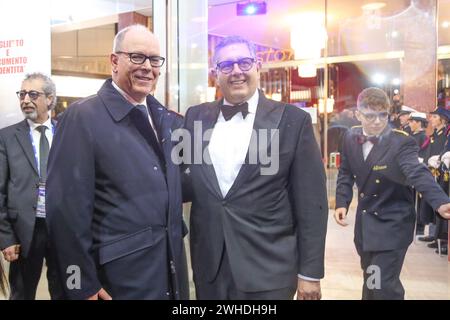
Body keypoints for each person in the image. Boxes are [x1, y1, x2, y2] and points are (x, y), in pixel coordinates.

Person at [46, 24, 188, 300]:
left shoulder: (165, 119)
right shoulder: (82, 117)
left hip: (166, 273)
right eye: (137, 57)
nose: (148, 67)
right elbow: (64, 211)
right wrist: (79, 283)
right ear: (114, 61)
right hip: (119, 280)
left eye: (154, 60)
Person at [181, 36, 328, 300]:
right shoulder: (195, 117)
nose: (236, 71)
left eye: (244, 62)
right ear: (215, 74)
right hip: (210, 266)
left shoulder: (293, 121)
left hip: (269, 268)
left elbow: (312, 202)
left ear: (258, 66)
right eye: (226, 65)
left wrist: (310, 272)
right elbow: (183, 179)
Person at [334, 87, 450, 300]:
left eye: (383, 115)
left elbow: (417, 171)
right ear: (359, 115)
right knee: (371, 281)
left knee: (384, 287)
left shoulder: (400, 141)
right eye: (370, 116)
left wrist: (440, 201)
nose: (378, 121)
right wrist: (342, 200)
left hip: (393, 223)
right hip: (366, 225)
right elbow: (346, 171)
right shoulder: (351, 137)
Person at [0, 73, 64, 299]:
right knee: (21, 294)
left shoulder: (67, 132)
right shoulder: (6, 137)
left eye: (33, 94)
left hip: (62, 227)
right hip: (25, 230)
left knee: (65, 290)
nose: (25, 99)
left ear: (49, 99)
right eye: (22, 94)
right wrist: (6, 238)